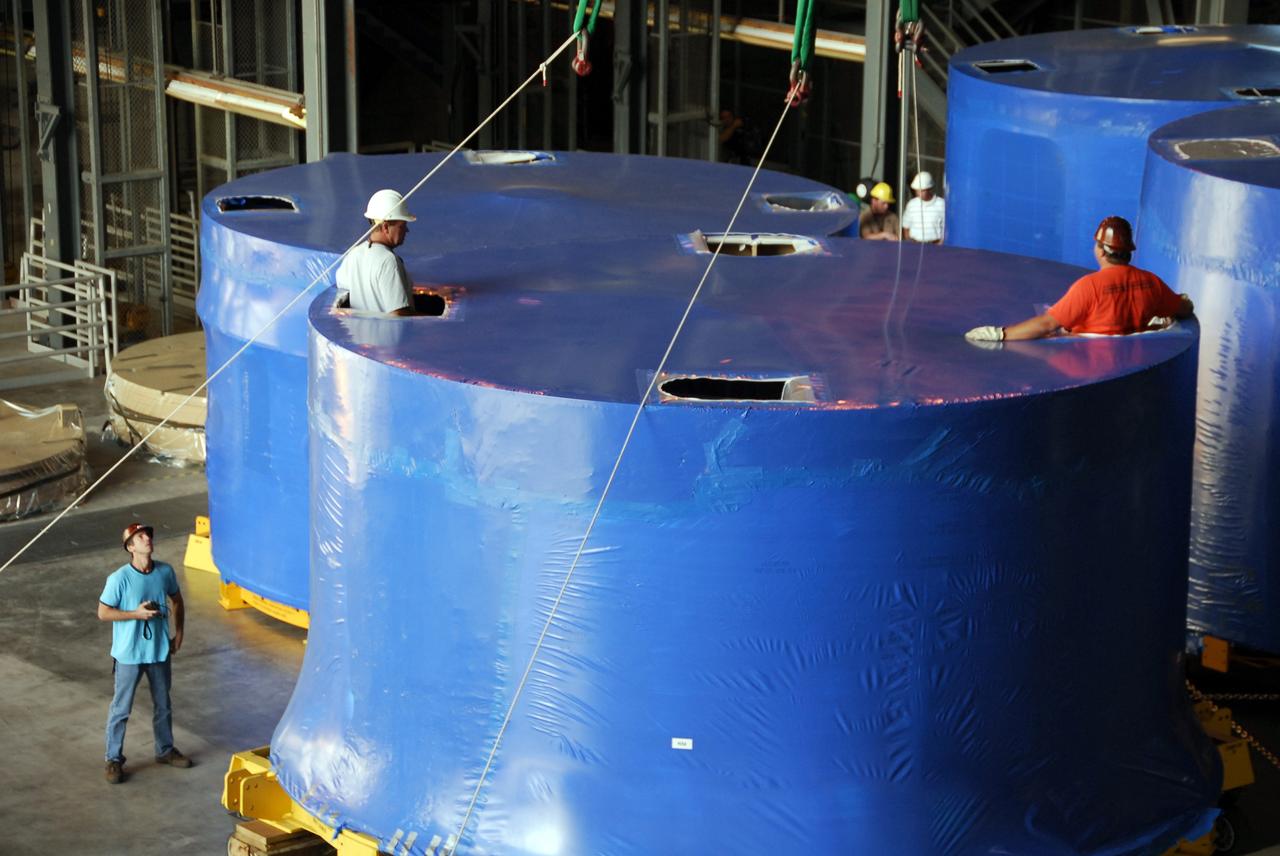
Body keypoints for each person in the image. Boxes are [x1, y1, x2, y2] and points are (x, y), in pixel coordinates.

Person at [965, 216, 1193, 342]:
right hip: (1131, 372)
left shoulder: (1089, 287)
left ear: (1101, 251)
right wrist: (1183, 300)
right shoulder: (1151, 283)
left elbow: (1046, 325)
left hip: (1087, 369)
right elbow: (1183, 308)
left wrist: (1001, 334)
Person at [98, 522, 190, 784]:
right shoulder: (119, 579)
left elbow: (177, 599)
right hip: (129, 654)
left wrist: (179, 632)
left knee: (163, 704)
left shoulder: (165, 571)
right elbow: (103, 612)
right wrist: (135, 614)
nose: (147, 539)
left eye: (147, 535)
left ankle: (165, 750)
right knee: (121, 708)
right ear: (130, 547)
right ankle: (113, 759)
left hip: (159, 650)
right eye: (140, 537)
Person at [337, 189, 422, 316]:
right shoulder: (388, 261)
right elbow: (399, 314)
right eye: (402, 226)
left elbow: (341, 284)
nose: (407, 230)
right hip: (387, 336)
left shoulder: (354, 254)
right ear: (385, 227)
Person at [901, 171, 945, 243]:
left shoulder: (941, 204)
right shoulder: (911, 204)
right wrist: (910, 244)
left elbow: (946, 228)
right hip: (915, 245)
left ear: (929, 189)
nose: (918, 193)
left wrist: (940, 244)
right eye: (917, 190)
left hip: (935, 246)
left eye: (922, 190)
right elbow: (906, 227)